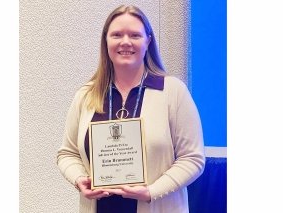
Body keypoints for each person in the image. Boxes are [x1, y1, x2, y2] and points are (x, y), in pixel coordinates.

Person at [57, 4, 205, 213]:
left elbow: (193, 158)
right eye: (117, 35)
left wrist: (152, 191)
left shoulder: (173, 91)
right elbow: (67, 153)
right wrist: (79, 179)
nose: (125, 42)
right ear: (106, 41)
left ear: (148, 41)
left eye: (135, 35)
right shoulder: (86, 94)